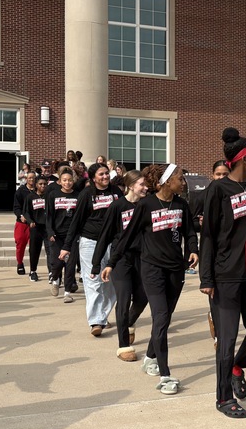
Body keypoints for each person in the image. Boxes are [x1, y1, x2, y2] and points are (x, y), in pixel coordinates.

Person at [110, 163, 198, 394]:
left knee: (165, 318)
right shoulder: (146, 205)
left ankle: (150, 357)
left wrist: (193, 249)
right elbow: (127, 236)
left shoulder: (181, 204)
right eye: (180, 178)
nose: (183, 182)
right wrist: (111, 262)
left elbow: (189, 232)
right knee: (160, 317)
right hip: (152, 270)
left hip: (175, 270)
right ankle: (165, 375)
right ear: (167, 181)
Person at [200, 128, 246, 419]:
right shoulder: (218, 189)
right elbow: (209, 235)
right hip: (225, 275)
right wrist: (206, 278)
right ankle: (224, 398)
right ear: (243, 159)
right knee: (226, 341)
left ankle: (237, 368)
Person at [93, 170, 150, 362]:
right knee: (124, 299)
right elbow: (105, 235)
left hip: (143, 257)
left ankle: (129, 322)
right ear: (131, 185)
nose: (145, 188)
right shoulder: (117, 206)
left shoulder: (147, 205)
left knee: (143, 298)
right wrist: (96, 263)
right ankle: (124, 345)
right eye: (142, 184)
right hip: (121, 258)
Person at [60, 162, 121, 336]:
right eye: (101, 174)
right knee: (93, 281)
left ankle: (102, 315)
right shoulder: (86, 194)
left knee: (112, 283)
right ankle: (96, 321)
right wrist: (66, 246)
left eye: (106, 173)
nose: (105, 177)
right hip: (90, 243)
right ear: (93, 178)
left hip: (113, 243)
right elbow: (76, 221)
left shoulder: (116, 192)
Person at [45, 168, 80, 300]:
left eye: (70, 180)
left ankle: (67, 293)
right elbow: (48, 216)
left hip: (73, 235)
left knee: (71, 264)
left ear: (73, 181)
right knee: (57, 262)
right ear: (59, 181)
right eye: (64, 180)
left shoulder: (78, 195)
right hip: (57, 235)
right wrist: (50, 232)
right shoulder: (53, 195)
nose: (67, 183)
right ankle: (55, 279)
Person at [23, 176, 50, 282]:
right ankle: (33, 271)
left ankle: (51, 272)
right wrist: (30, 221)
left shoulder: (49, 197)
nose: (43, 186)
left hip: (47, 227)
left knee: (50, 250)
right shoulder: (30, 197)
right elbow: (26, 212)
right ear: (36, 185)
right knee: (34, 250)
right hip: (36, 227)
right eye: (40, 184)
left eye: (44, 184)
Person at [13, 172, 37, 275]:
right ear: (26, 179)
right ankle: (20, 263)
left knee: (33, 248)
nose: (32, 180)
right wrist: (20, 216)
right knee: (20, 244)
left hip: (34, 223)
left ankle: (33, 269)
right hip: (22, 223)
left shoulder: (38, 191)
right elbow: (16, 207)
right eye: (30, 178)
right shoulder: (21, 191)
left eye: (33, 178)